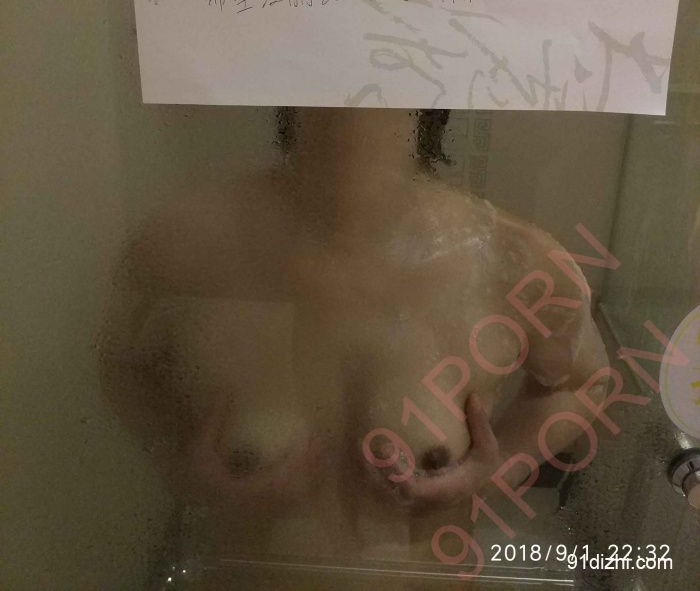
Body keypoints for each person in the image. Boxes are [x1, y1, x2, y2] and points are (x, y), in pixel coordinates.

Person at [100, 107, 609, 569]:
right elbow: (125, 368)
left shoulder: (504, 255)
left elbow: (584, 380)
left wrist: (491, 476)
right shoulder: (182, 249)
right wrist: (179, 463)